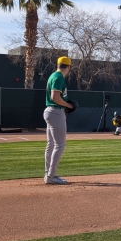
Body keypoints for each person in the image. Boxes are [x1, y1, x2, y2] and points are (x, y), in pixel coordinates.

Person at [43, 56, 74, 185]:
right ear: (68, 67)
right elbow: (55, 97)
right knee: (59, 145)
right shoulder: (59, 77)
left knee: (51, 144)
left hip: (50, 111)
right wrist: (69, 105)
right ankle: (51, 176)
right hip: (56, 112)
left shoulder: (53, 75)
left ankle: (48, 174)